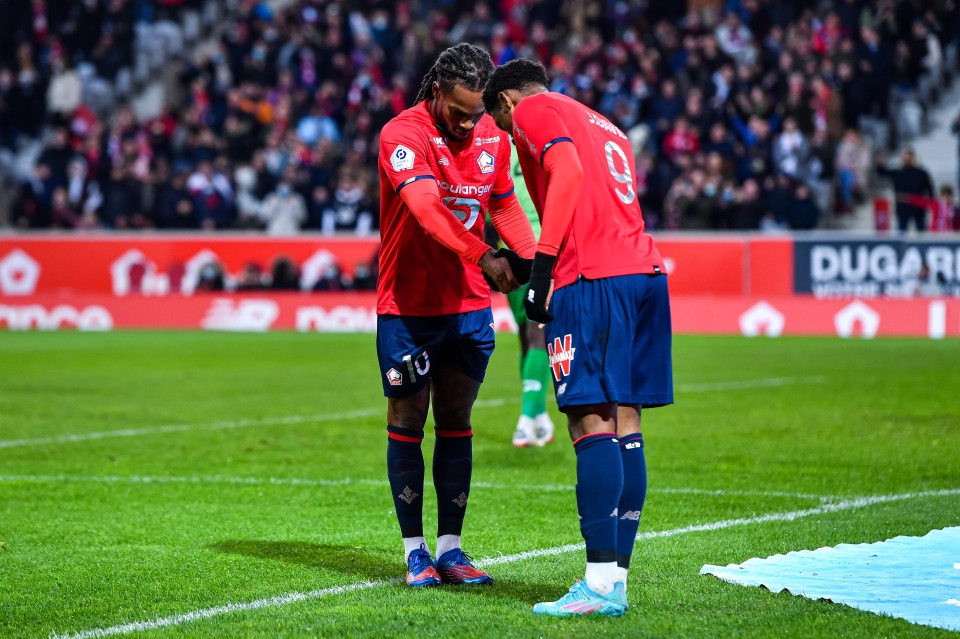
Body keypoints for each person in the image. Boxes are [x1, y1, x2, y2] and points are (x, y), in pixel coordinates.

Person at [484, 58, 673, 616]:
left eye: (500, 125)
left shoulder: (534, 111)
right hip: (643, 273)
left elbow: (565, 176)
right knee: (626, 420)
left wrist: (541, 273)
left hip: (591, 280)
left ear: (506, 103)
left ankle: (595, 585)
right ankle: (616, 581)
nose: (507, 139)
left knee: (589, 419)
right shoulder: (602, 122)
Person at [376, 44, 537, 589]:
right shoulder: (403, 135)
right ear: (436, 91)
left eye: (479, 112)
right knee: (406, 421)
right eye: (460, 111)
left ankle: (451, 548)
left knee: (456, 422)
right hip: (409, 306)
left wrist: (538, 261)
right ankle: (414, 550)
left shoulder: (493, 132)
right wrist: (484, 255)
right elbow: (426, 211)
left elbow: (504, 205)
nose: (470, 123)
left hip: (468, 307)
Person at [876, 148, 935, 233]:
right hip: (902, 207)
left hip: (918, 207)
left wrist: (930, 203)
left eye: (909, 158)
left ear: (914, 158)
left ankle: (922, 246)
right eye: (905, 158)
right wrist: (880, 162)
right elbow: (882, 173)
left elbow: (930, 189)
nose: (907, 160)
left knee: (921, 232)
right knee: (901, 232)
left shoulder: (921, 173)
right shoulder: (898, 172)